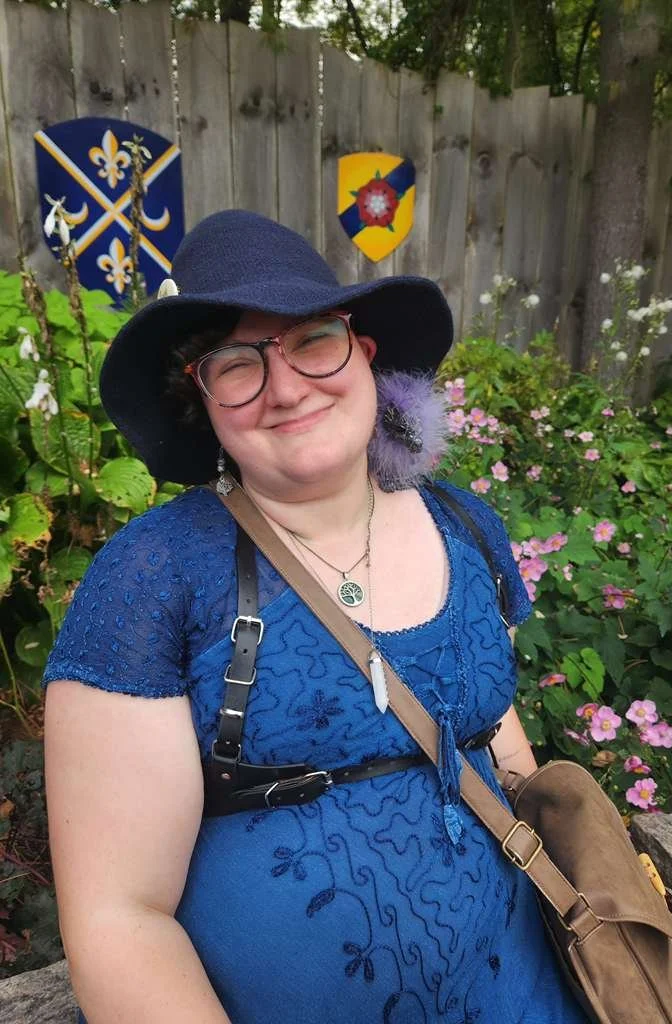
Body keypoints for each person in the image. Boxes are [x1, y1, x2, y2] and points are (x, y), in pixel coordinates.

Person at [43, 210, 589, 1024]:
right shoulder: (154, 579)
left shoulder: (468, 529)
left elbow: (485, 729)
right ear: (204, 400)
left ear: (363, 353)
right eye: (238, 364)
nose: (288, 386)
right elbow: (119, 916)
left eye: (312, 341)